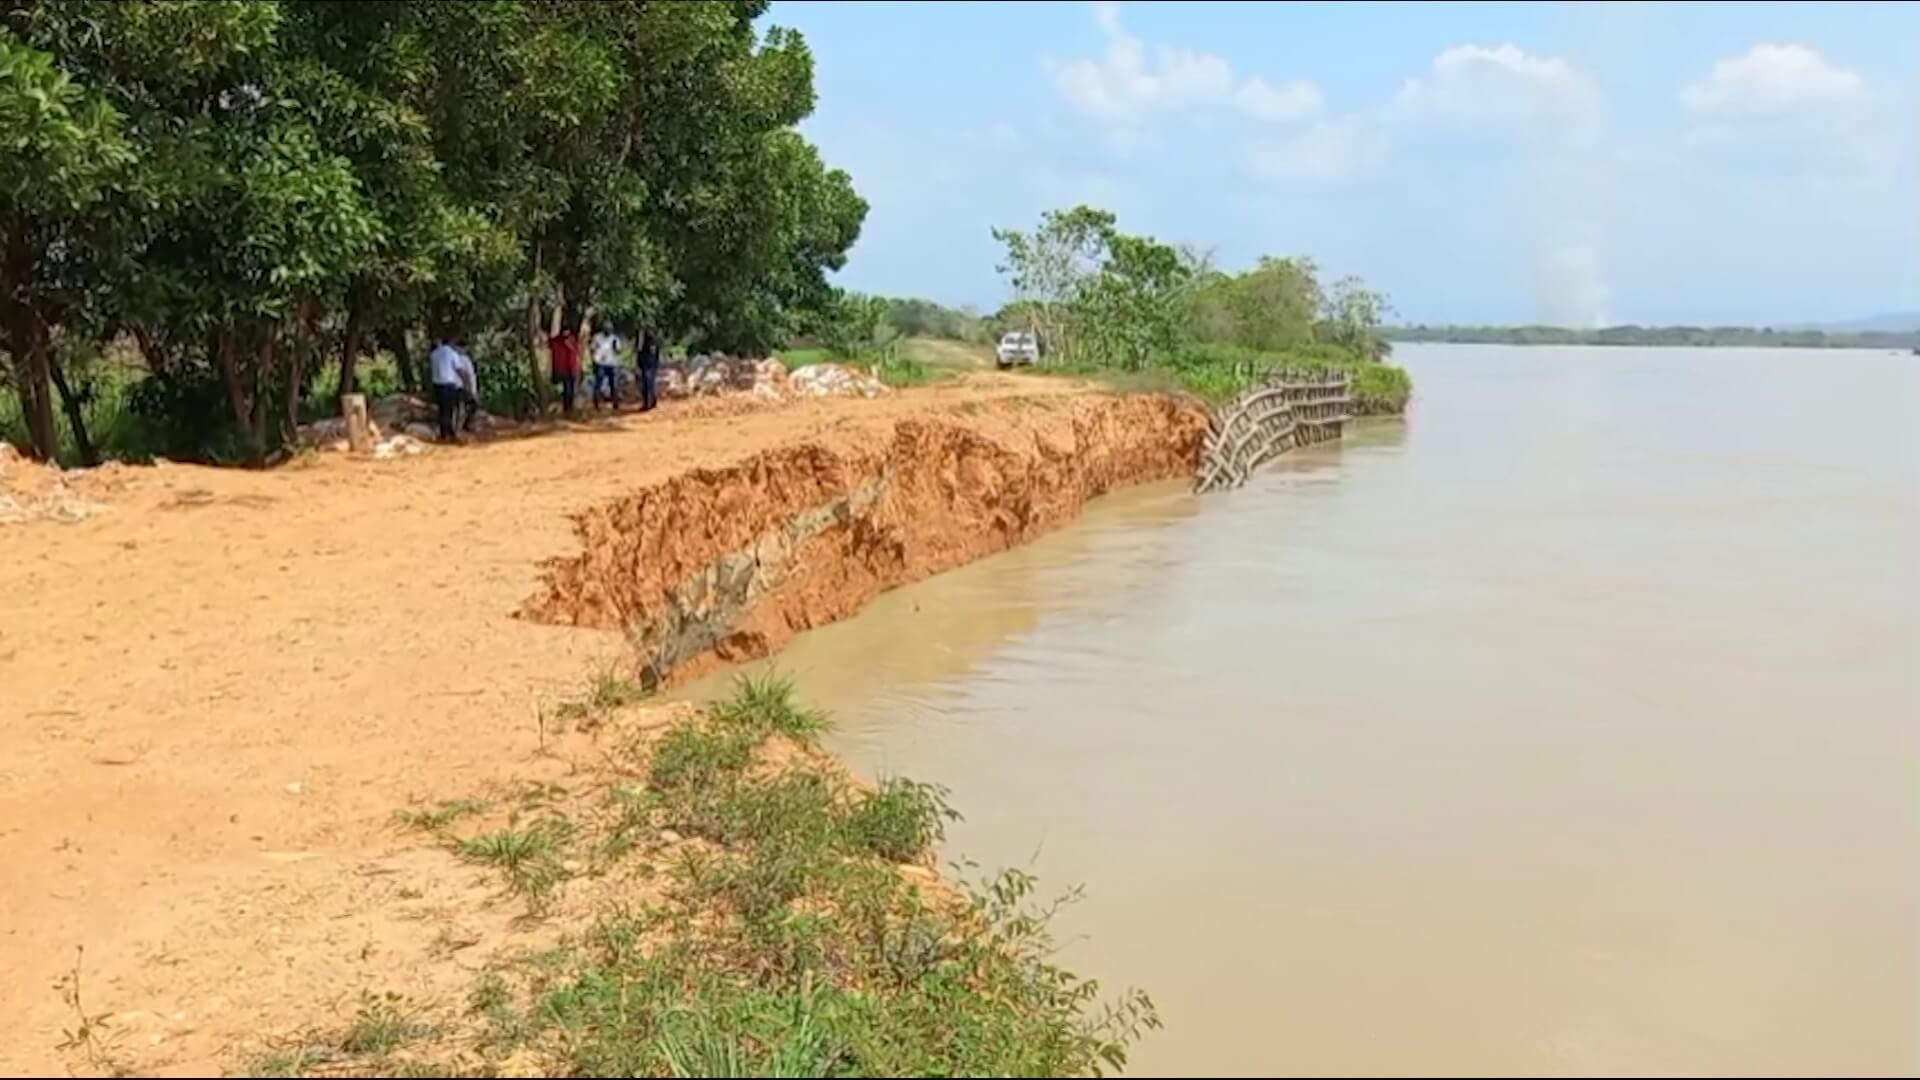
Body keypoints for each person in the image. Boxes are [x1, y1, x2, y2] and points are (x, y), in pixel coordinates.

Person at [429, 335, 479, 441]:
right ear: (451, 343)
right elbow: (459, 370)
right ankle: (451, 433)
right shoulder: (452, 353)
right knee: (451, 409)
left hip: (437, 385)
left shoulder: (434, 354)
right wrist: (467, 384)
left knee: (442, 409)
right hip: (449, 384)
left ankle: (443, 433)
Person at [548, 321, 582, 416]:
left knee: (571, 389)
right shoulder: (556, 342)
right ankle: (566, 408)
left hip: (572, 368)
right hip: (562, 369)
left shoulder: (572, 340)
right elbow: (549, 343)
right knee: (566, 390)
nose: (566, 334)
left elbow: (576, 352)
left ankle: (570, 407)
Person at [590, 325, 623, 409]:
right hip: (600, 363)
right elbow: (592, 349)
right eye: (606, 330)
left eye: (609, 330)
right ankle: (596, 403)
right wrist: (594, 359)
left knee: (614, 384)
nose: (608, 331)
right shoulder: (597, 337)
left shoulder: (614, 339)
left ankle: (615, 403)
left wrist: (615, 347)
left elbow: (619, 351)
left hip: (612, 363)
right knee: (598, 383)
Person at [637, 327, 662, 412]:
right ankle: (652, 402)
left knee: (647, 385)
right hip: (651, 365)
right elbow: (657, 355)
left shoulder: (646, 344)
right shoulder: (655, 342)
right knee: (651, 384)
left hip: (647, 365)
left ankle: (647, 404)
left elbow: (640, 353)